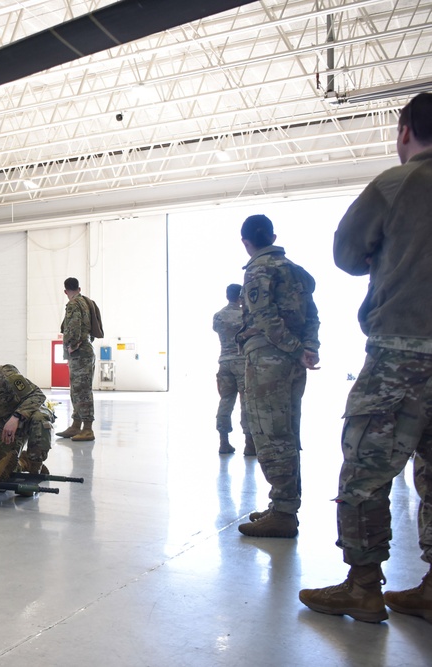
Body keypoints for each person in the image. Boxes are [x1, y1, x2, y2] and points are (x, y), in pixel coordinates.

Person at [299, 93, 432, 624]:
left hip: (401, 357)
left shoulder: (398, 185)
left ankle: (362, 586)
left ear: (404, 133)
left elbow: (348, 255)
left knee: (364, 475)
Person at [234, 214, 320, 539]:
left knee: (270, 434)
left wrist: (296, 348)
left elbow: (265, 318)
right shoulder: (295, 271)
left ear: (246, 242)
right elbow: (312, 315)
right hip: (291, 363)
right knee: (286, 430)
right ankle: (282, 505)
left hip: (269, 360)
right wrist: (308, 347)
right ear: (272, 235)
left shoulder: (258, 269)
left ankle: (283, 513)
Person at [213, 283, 253, 456]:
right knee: (247, 403)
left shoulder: (218, 316)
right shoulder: (246, 316)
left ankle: (224, 442)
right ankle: (249, 444)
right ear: (241, 296)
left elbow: (217, 330)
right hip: (242, 362)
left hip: (224, 363)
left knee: (225, 401)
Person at [56, 277, 96, 441]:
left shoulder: (73, 304)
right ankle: (75, 425)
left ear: (65, 291)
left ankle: (87, 429)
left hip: (79, 352)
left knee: (82, 391)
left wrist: (72, 345)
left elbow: (74, 326)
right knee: (77, 390)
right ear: (78, 288)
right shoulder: (86, 302)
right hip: (85, 349)